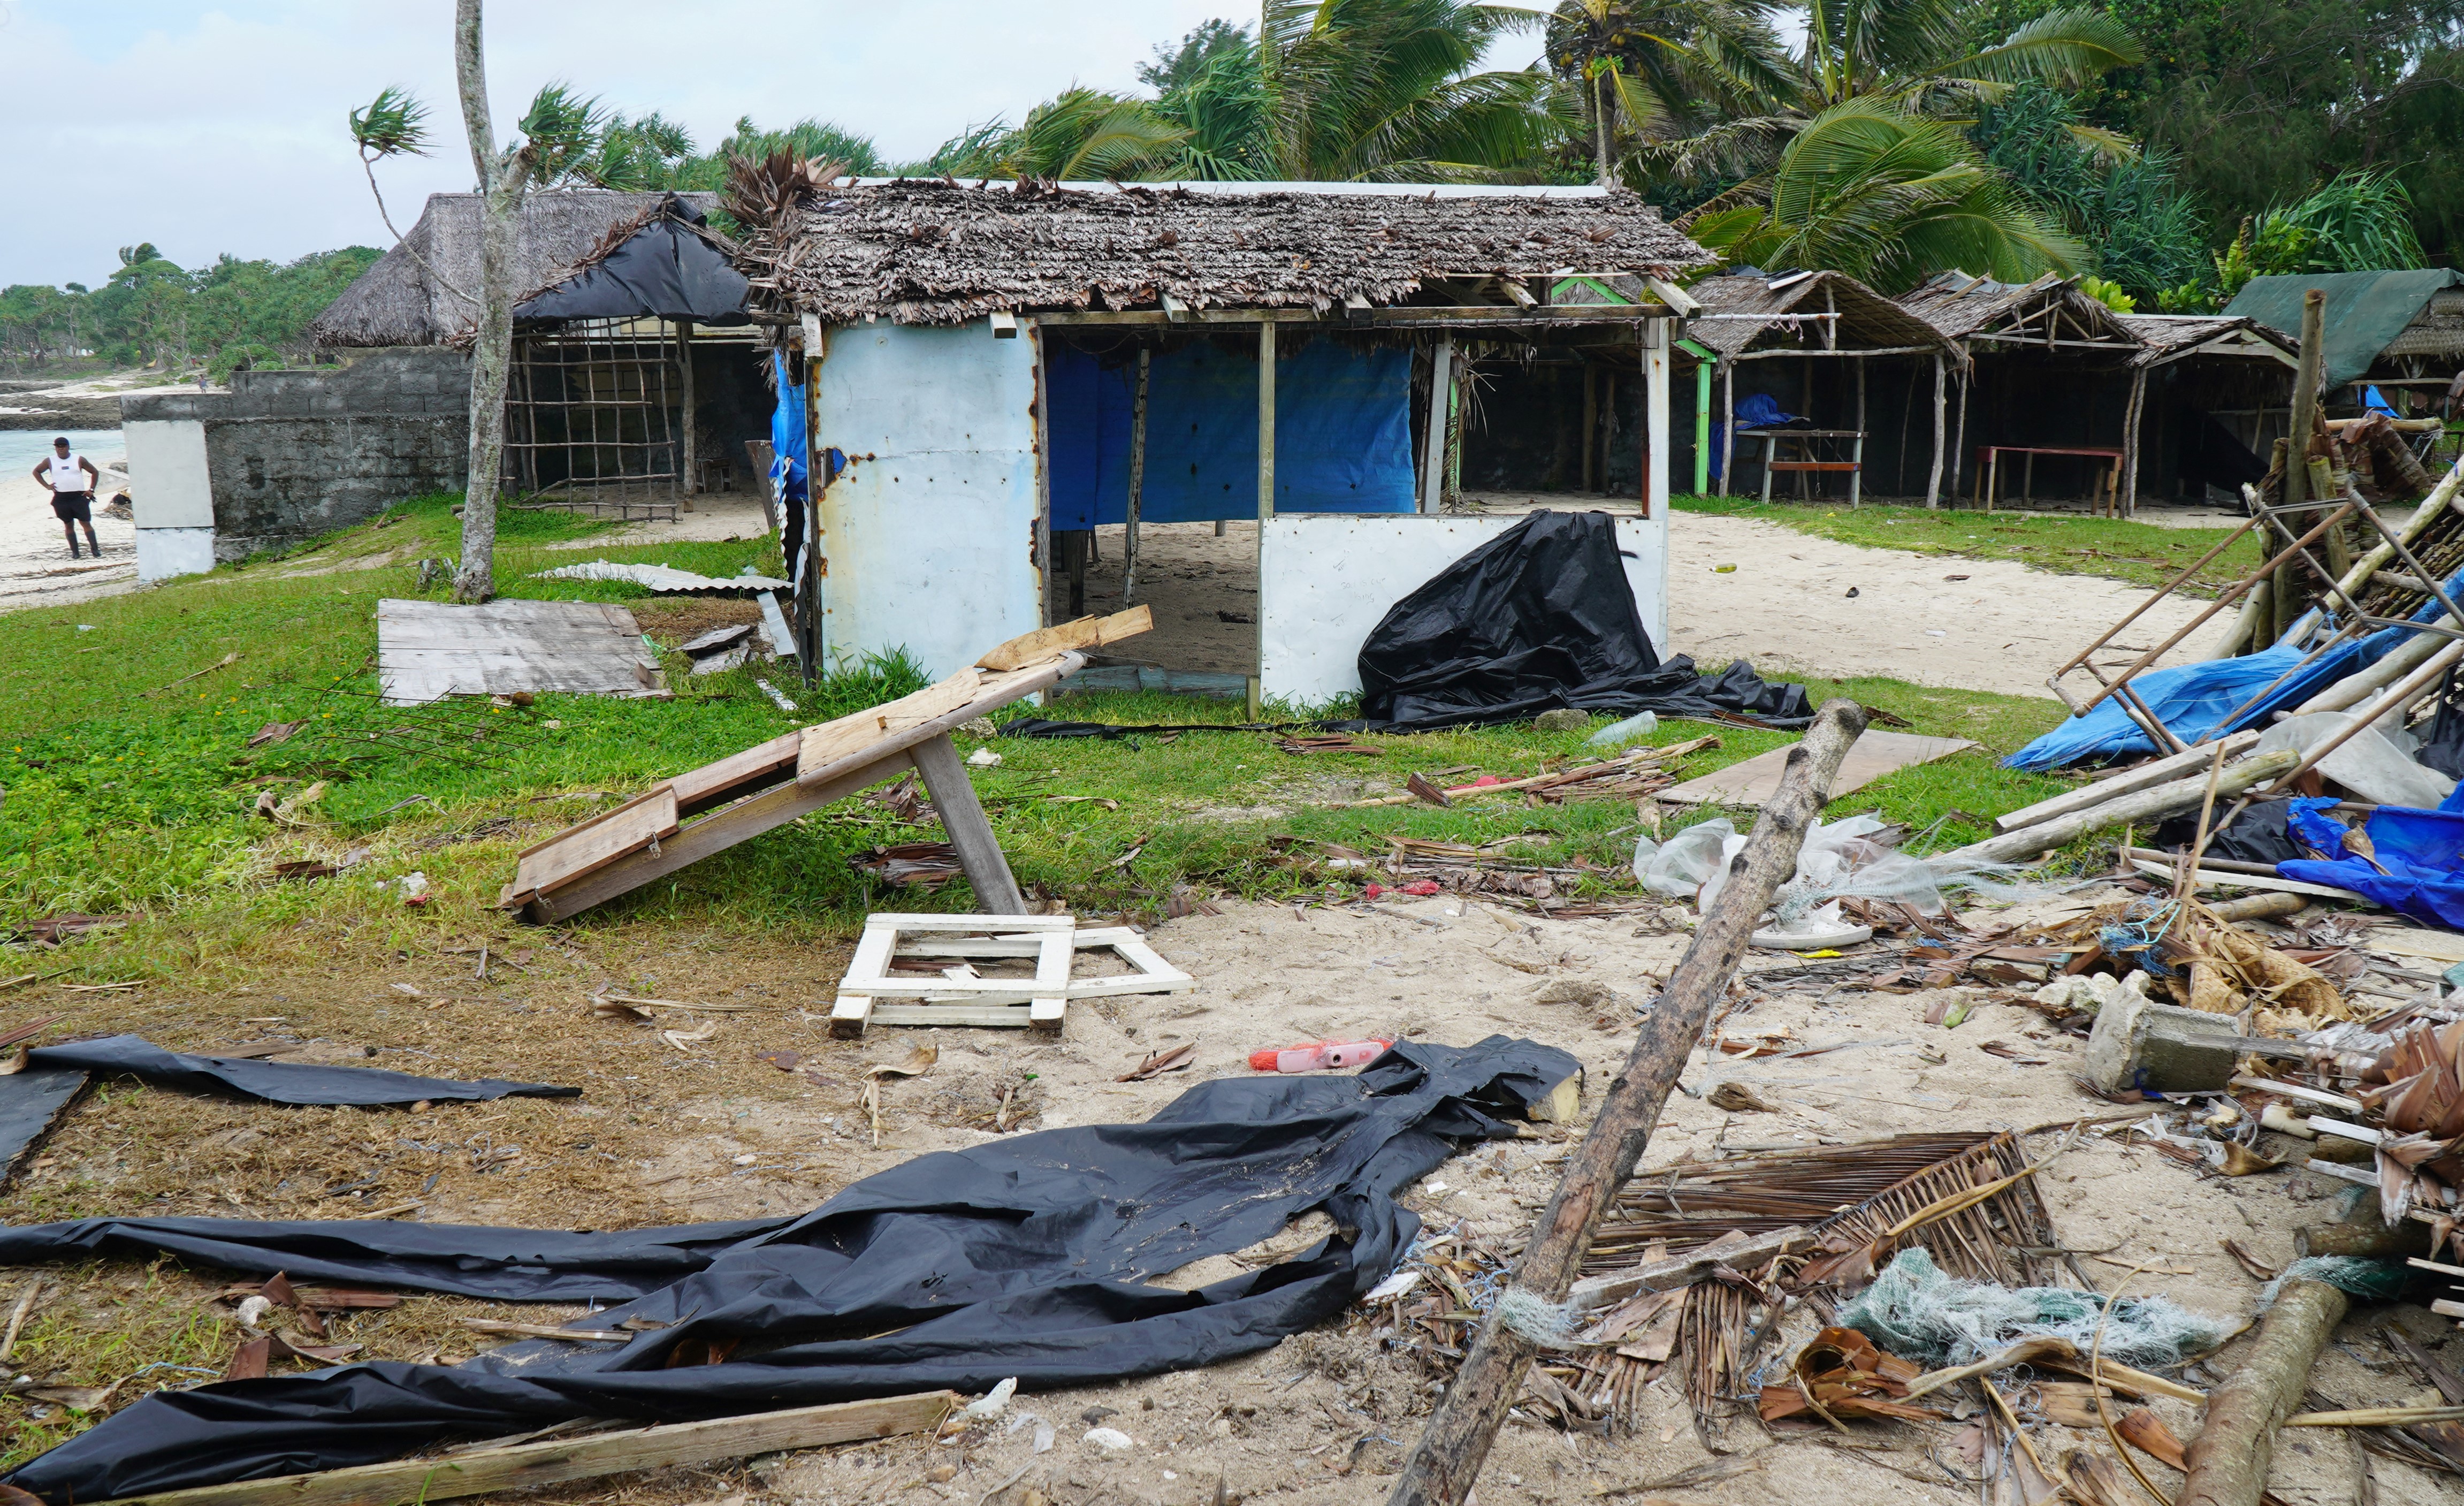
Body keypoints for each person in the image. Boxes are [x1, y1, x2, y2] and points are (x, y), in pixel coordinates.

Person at [33, 437, 101, 559]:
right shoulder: (50, 461)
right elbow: (37, 472)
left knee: (85, 523)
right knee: (68, 525)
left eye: (63, 446)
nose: (61, 449)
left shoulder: (78, 459)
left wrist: (91, 490)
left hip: (78, 496)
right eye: (58, 447)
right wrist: (47, 486)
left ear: (68, 447)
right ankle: (75, 552)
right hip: (61, 498)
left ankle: (95, 550)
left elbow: (94, 472)